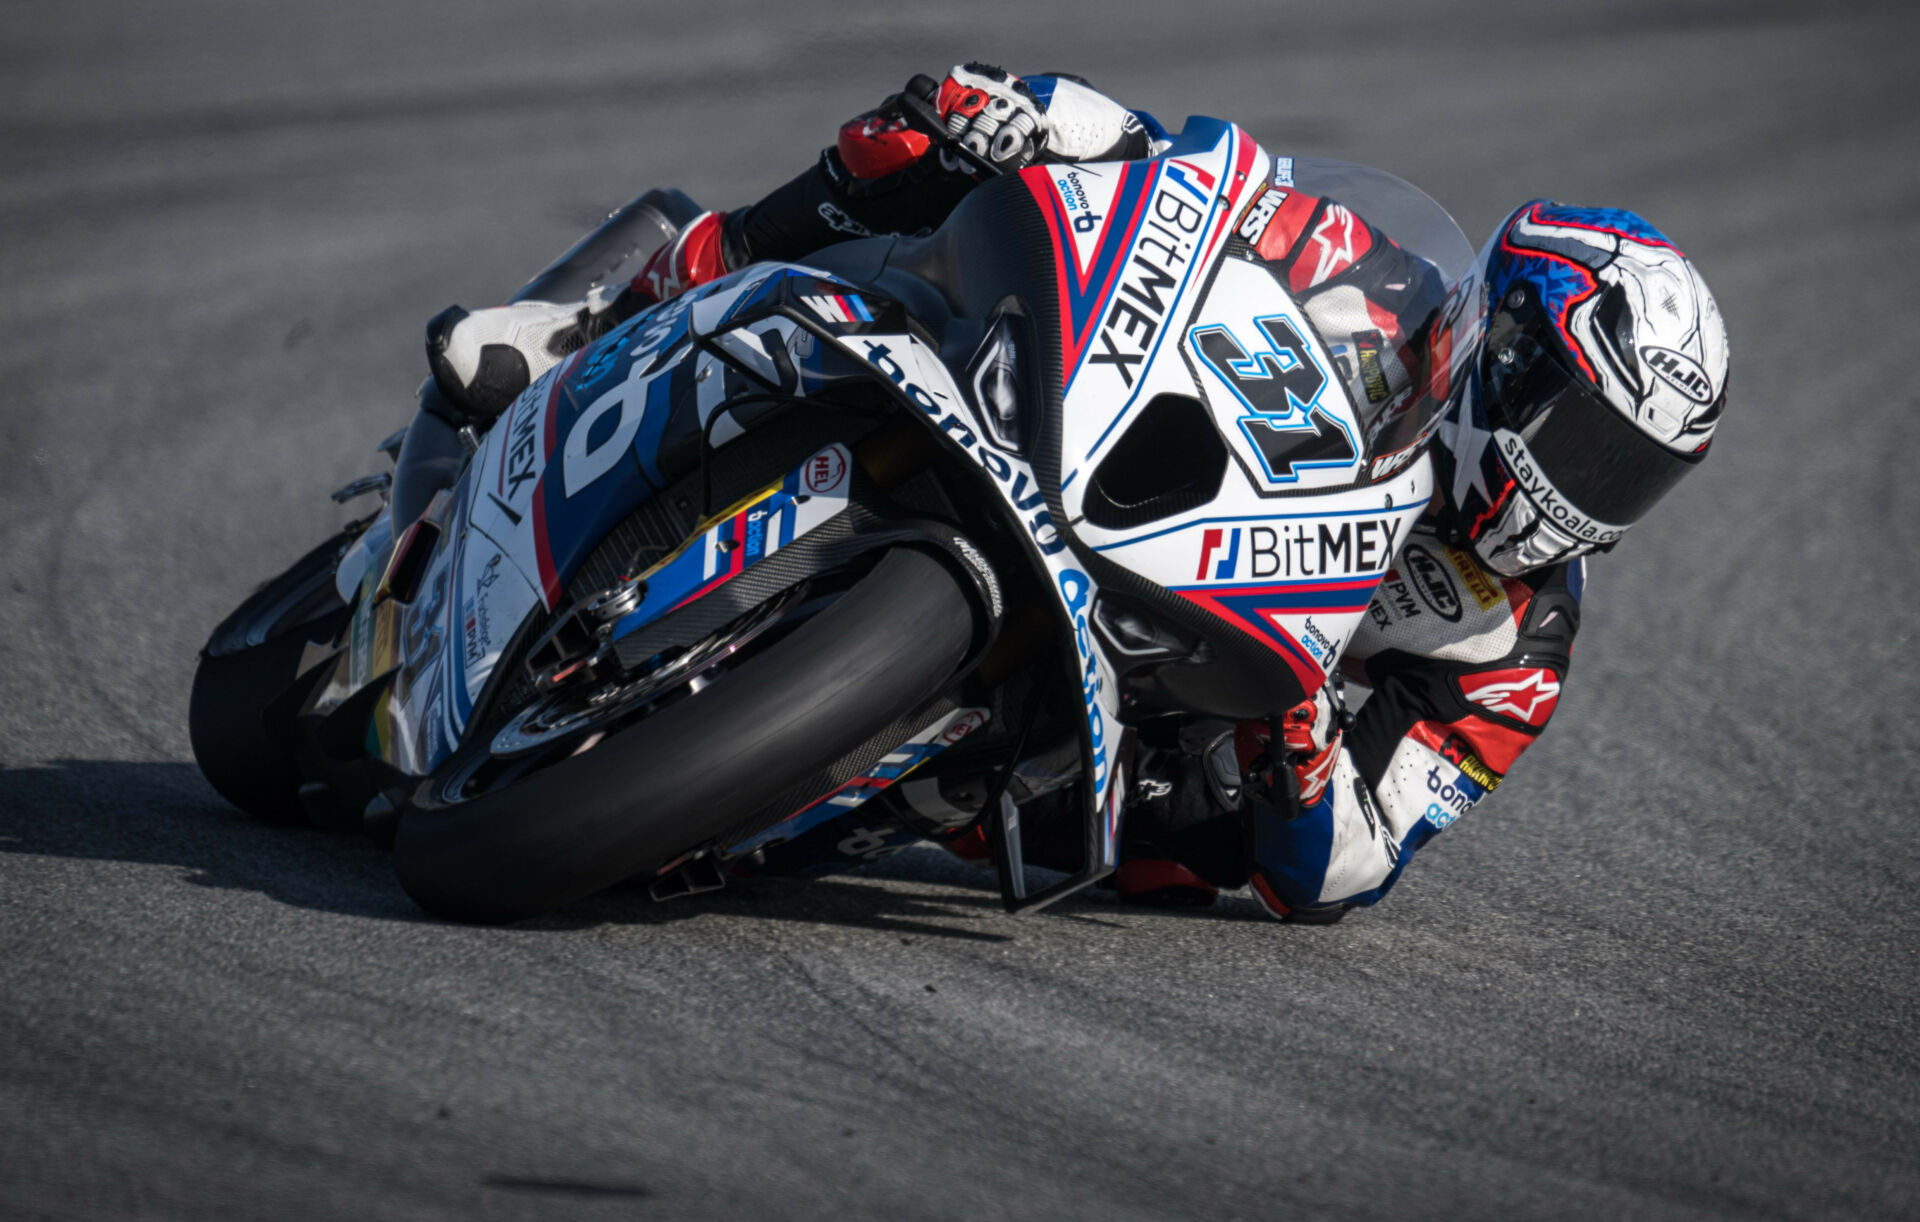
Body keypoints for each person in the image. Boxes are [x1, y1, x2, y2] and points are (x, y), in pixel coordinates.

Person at [424, 65, 1730, 923]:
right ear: (1506, 352)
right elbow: (1214, 186)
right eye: (1590, 442)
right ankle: (599, 318)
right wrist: (1064, 124)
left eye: (1634, 476)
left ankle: (741, 770)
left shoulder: (1519, 646)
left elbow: (1347, 867)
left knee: (1170, 829)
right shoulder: (1372, 275)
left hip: (1158, 750)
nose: (1586, 495)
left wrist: (1301, 723)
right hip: (1094, 462)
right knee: (931, 136)